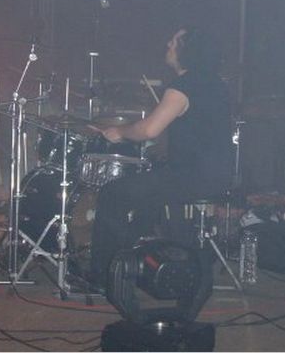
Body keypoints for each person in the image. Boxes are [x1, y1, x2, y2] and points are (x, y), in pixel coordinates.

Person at [87, 27, 234, 290]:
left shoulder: (183, 87)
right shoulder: (216, 85)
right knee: (147, 198)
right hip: (217, 175)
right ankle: (133, 265)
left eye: (174, 41)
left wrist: (120, 132)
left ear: (188, 51)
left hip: (191, 176)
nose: (168, 44)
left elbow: (149, 130)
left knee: (112, 194)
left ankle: (102, 276)